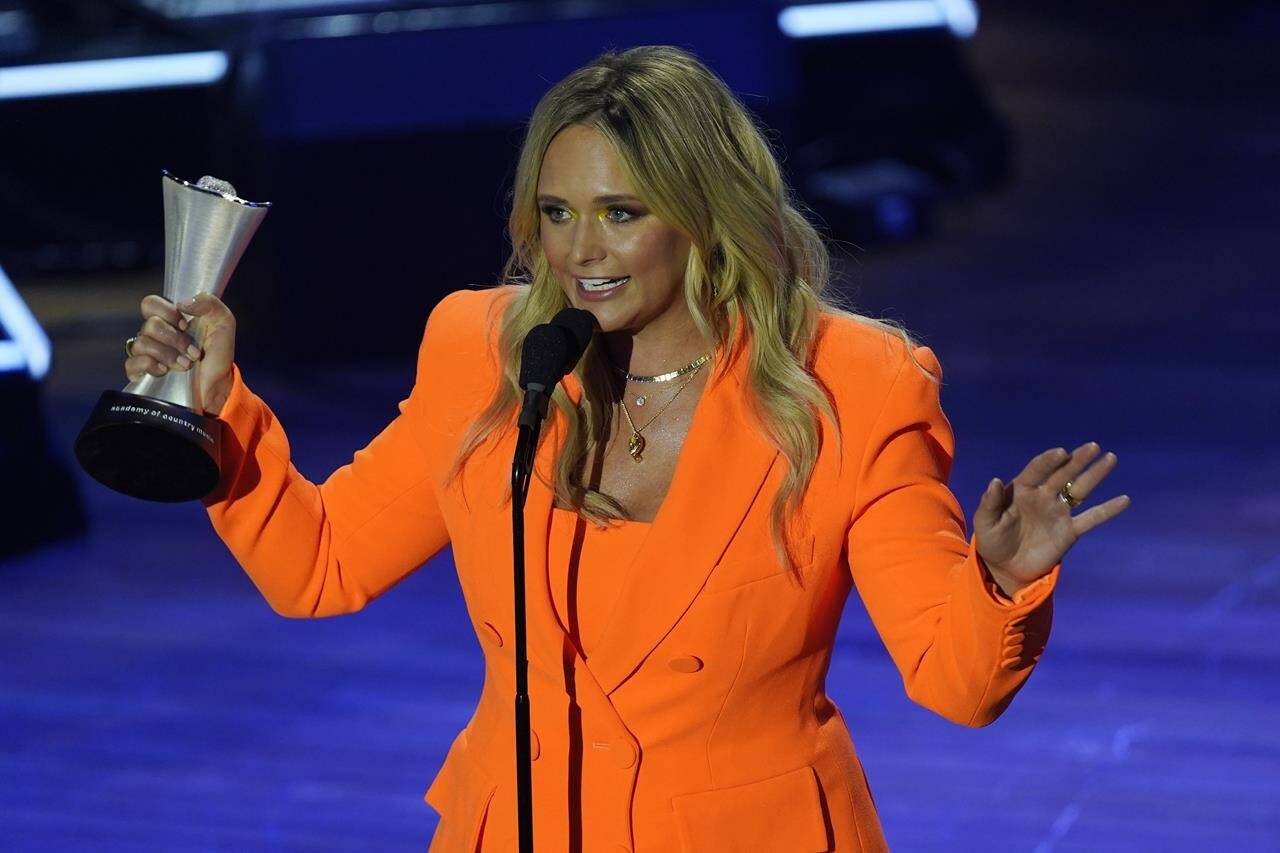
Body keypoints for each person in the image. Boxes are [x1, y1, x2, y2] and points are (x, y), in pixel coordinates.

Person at [122, 45, 1129, 852]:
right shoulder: (488, 349)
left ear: (703, 215)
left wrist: (996, 581)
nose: (578, 253)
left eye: (619, 213)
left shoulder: (852, 385)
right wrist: (219, 413)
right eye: (556, 214)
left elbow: (953, 686)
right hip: (519, 822)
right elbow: (321, 565)